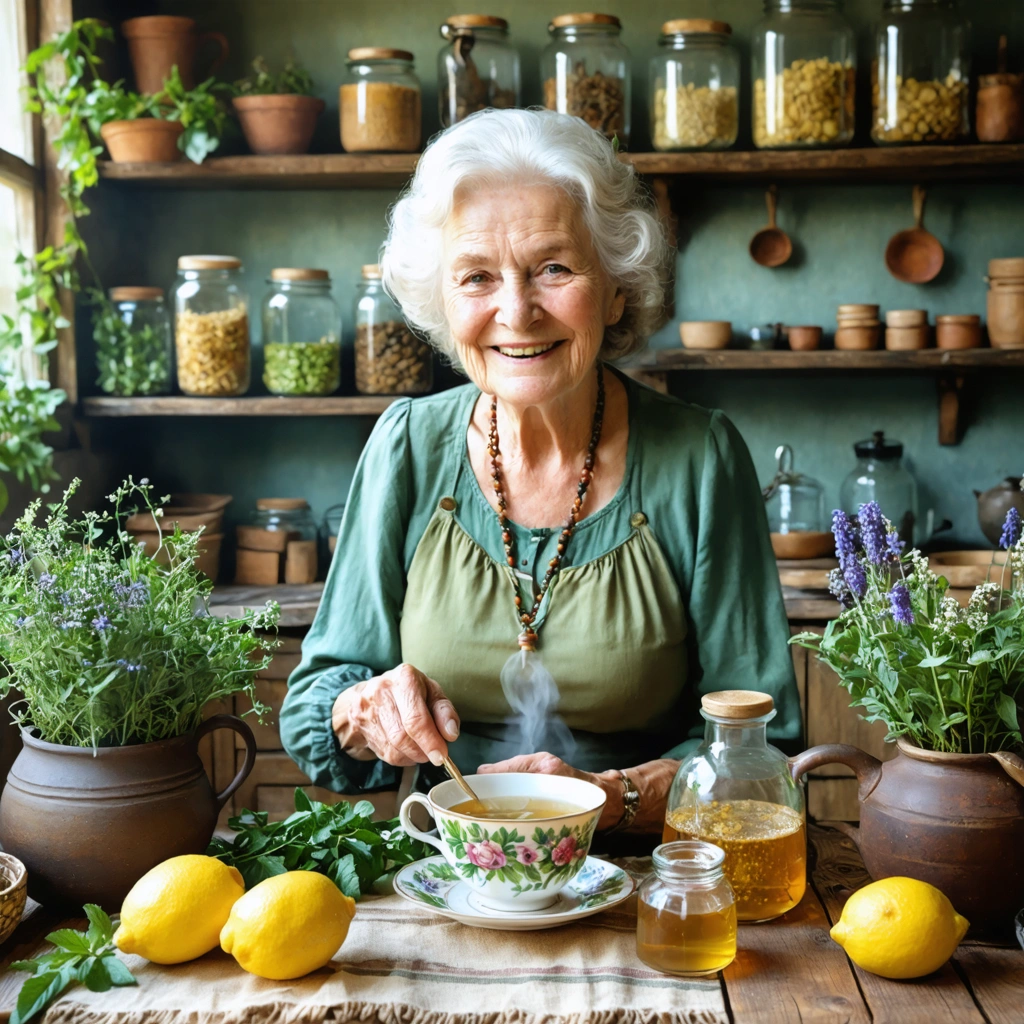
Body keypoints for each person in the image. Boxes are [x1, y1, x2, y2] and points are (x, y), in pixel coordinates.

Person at [280, 109, 799, 835]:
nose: (516, 311)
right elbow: (314, 704)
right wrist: (362, 708)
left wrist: (606, 799)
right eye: (476, 277)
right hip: (451, 865)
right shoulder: (406, 446)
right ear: (442, 301)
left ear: (616, 285)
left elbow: (763, 746)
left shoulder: (701, 458)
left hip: (651, 869)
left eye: (553, 268)